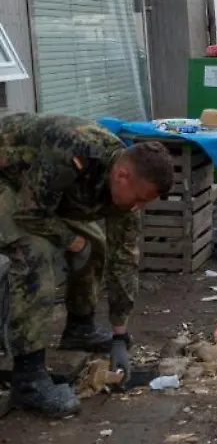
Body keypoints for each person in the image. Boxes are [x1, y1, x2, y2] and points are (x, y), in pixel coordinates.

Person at [0, 114, 174, 418]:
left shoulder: (127, 186)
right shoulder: (73, 150)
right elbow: (30, 215)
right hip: (6, 177)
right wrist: (70, 240)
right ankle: (28, 379)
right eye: (140, 198)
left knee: (97, 244)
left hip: (38, 190)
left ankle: (80, 327)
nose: (139, 207)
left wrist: (120, 334)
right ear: (121, 175)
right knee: (35, 254)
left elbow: (124, 258)